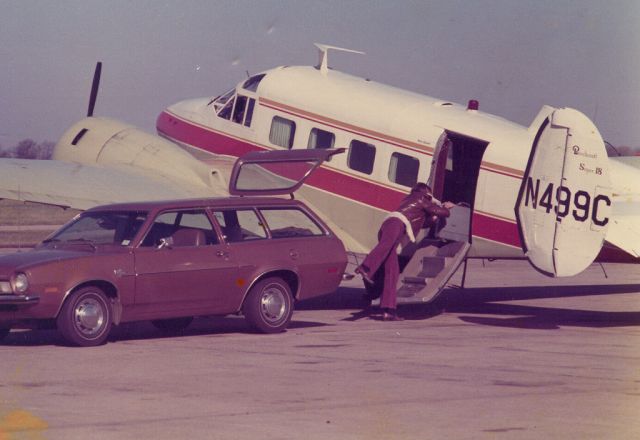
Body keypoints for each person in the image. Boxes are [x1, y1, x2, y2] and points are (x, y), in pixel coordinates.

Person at [355, 183, 453, 321]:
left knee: (392, 272)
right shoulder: (420, 197)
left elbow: (422, 222)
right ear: (426, 192)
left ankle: (389, 311)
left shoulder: (414, 202)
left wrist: (433, 218)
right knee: (386, 245)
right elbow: (443, 212)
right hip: (396, 224)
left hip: (392, 225)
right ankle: (366, 267)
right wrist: (445, 208)